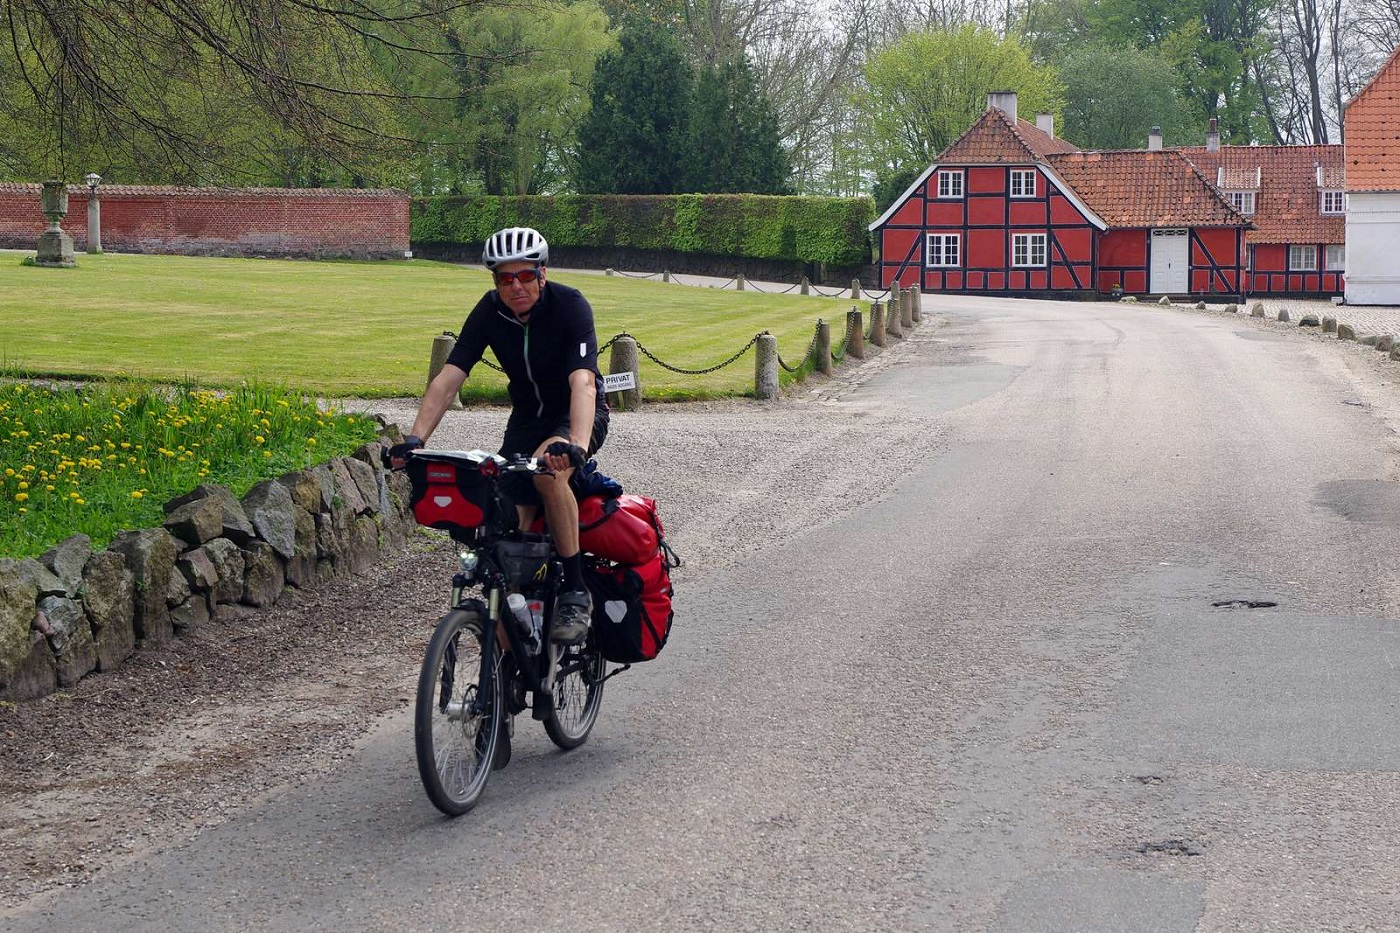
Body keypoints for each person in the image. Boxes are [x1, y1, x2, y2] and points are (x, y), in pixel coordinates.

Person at [389, 227, 609, 645]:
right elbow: (449, 377)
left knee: (546, 473)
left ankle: (576, 591)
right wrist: (415, 440)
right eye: (505, 279)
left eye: (525, 276)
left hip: (575, 412)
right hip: (527, 417)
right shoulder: (490, 311)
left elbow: (583, 382)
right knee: (503, 515)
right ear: (495, 282)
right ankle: (507, 672)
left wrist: (576, 445)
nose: (516, 286)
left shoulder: (570, 305)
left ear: (542, 274)